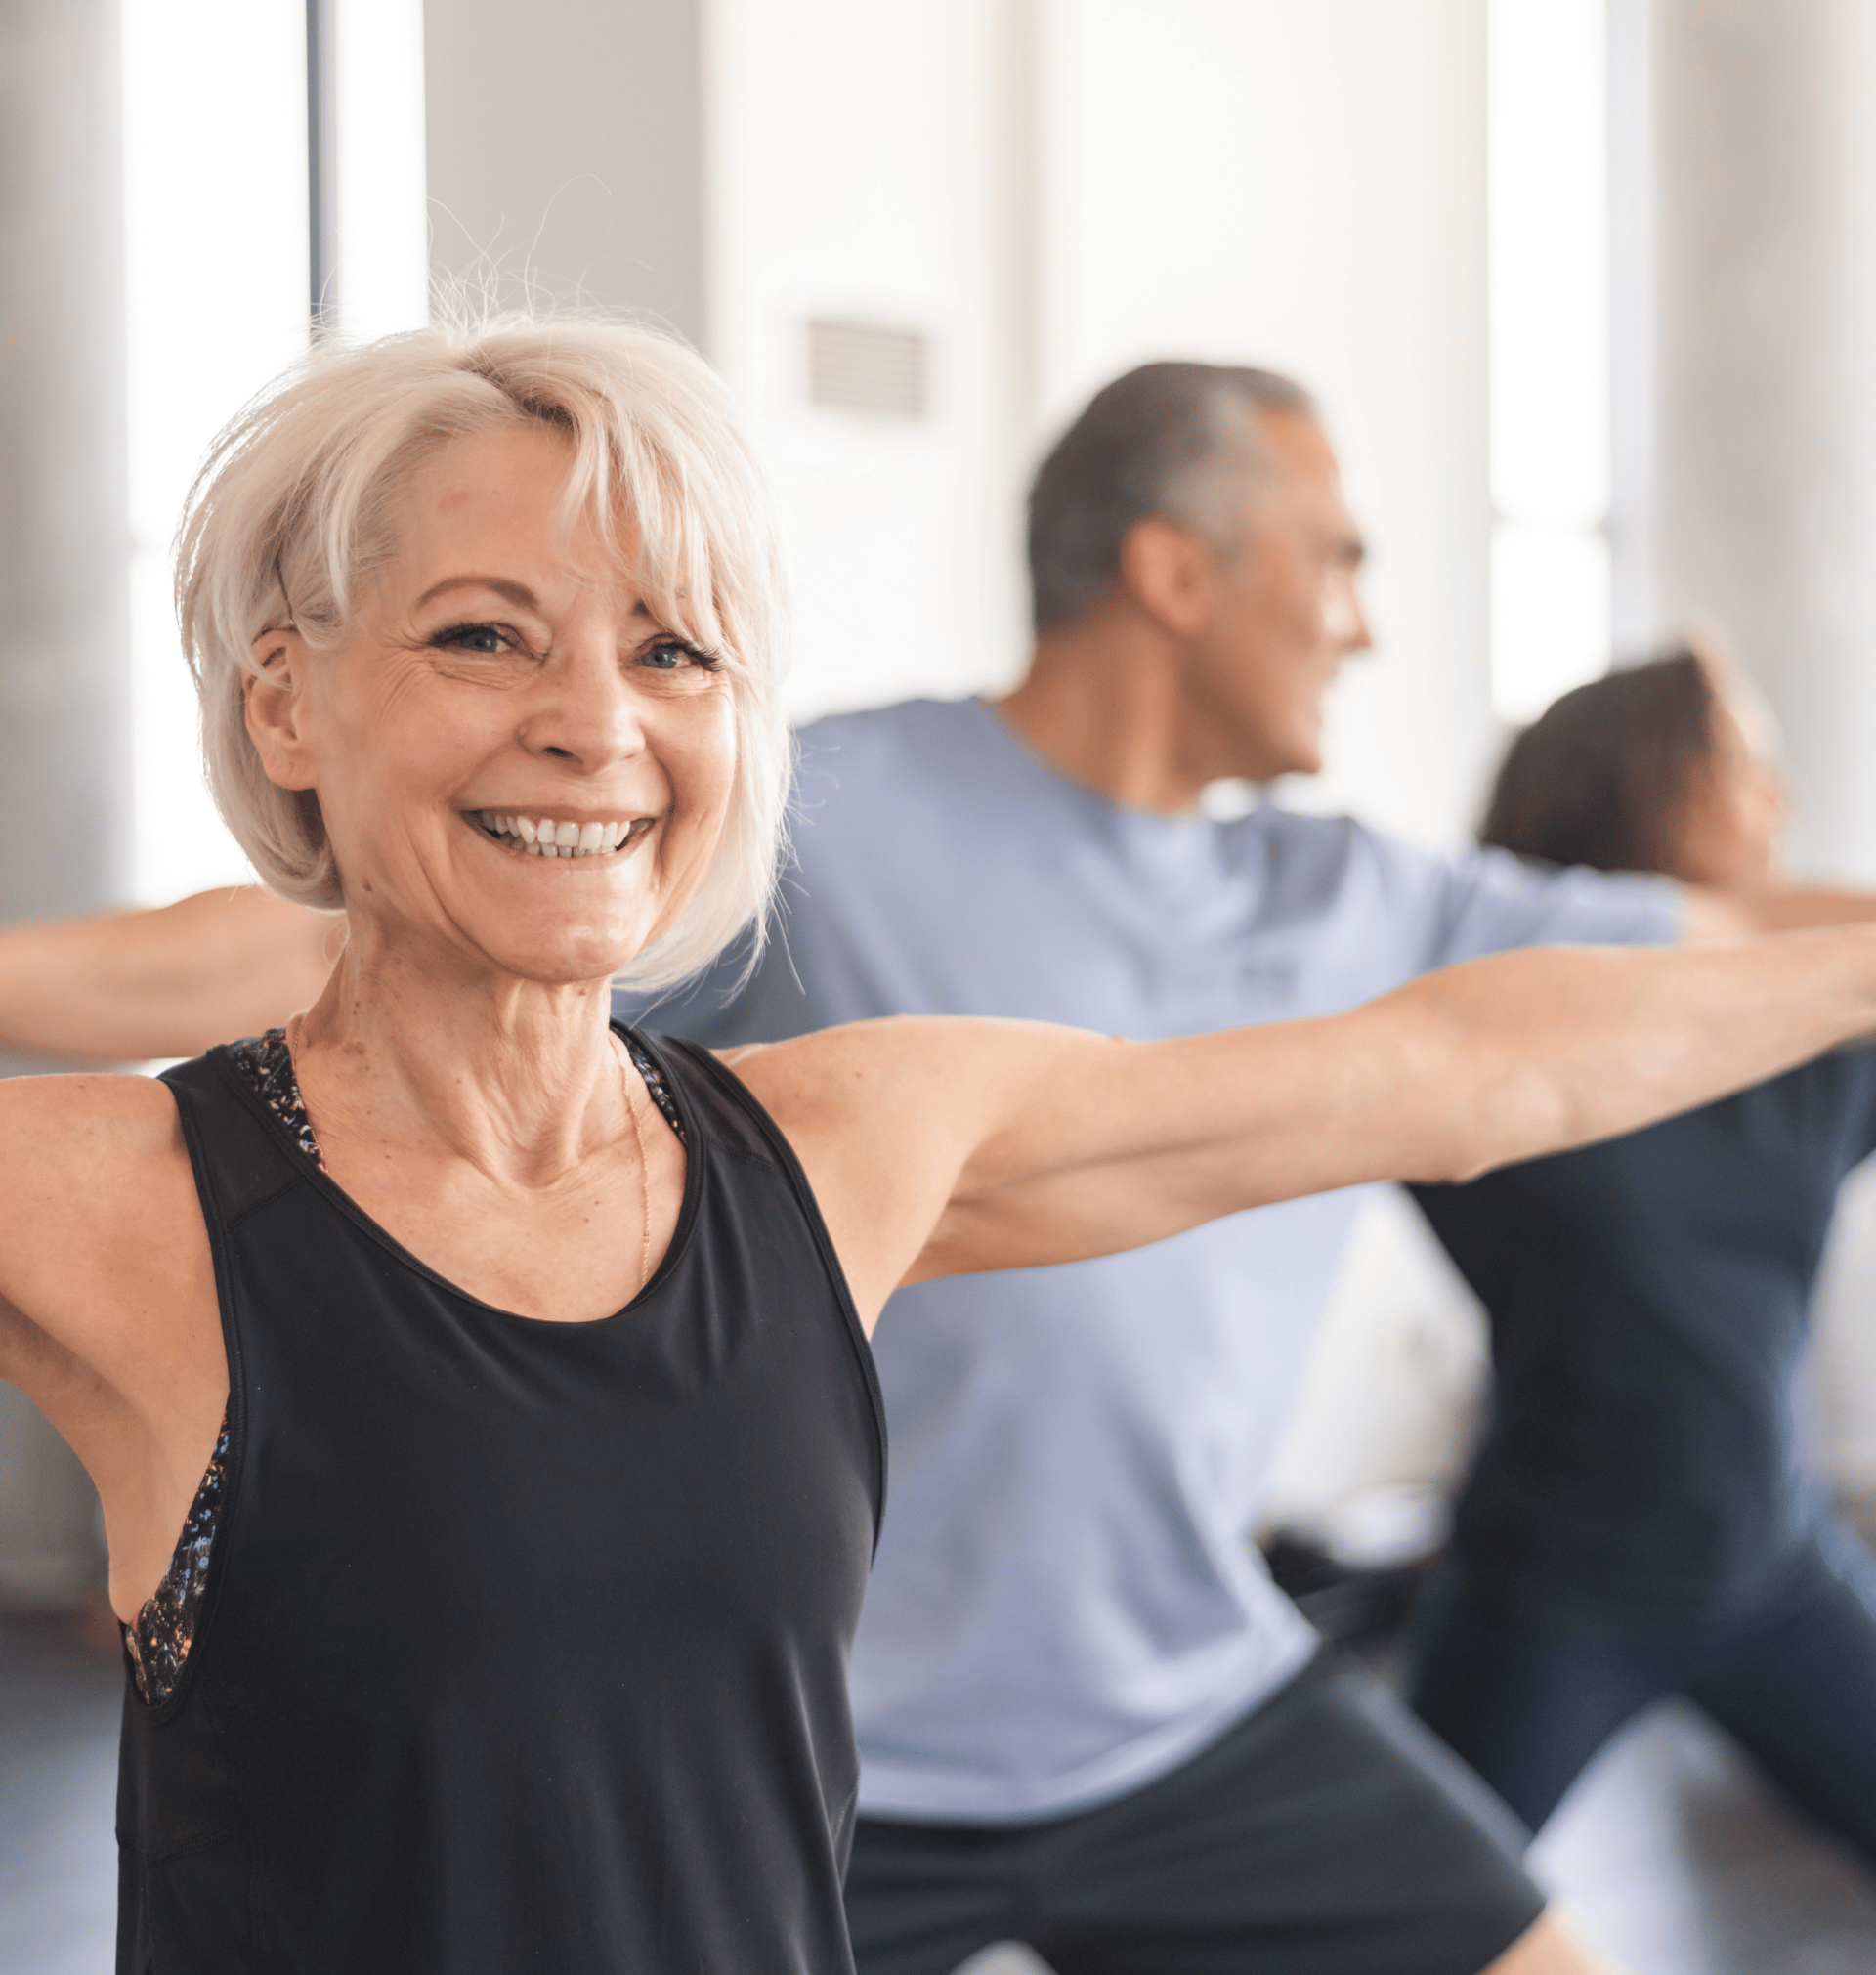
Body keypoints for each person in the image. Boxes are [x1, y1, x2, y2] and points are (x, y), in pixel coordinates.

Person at [7, 357, 1876, 1975]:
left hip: (1179, 1705)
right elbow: (288, 941)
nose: (594, 720)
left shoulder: (868, 1133)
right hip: (888, 1744)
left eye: (673, 649)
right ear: (288, 704)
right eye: (484, 631)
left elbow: (1473, 1063)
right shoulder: (148, 1199)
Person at [1408, 649, 1876, 1866]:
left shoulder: (1817, 1038)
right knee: (1408, 1927)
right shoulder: (1486, 1041)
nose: (1778, 799)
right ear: (1636, 785)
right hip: (1549, 1593)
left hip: (1777, 1569)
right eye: (1741, 765)